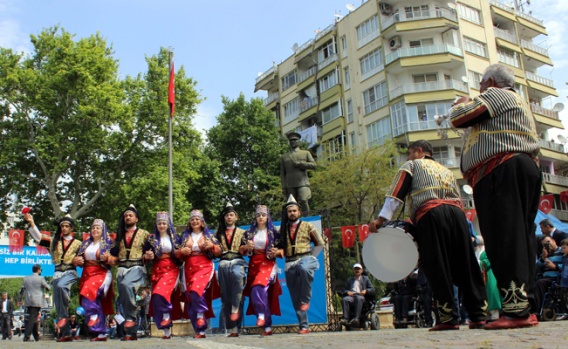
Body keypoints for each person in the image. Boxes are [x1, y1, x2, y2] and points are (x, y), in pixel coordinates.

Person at [450, 64, 541, 329]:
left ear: (489, 82)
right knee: (521, 237)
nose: (478, 91)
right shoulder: (514, 102)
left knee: (505, 236)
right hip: (516, 167)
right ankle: (526, 305)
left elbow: (459, 117)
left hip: (502, 169)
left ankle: (516, 311)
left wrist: (461, 102)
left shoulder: (499, 94)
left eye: (480, 86)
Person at [369, 140, 487, 331]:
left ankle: (448, 318)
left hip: (430, 214)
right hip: (457, 214)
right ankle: (478, 315)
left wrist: (381, 220)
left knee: (437, 264)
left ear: (419, 151)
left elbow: (396, 194)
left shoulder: (412, 165)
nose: (407, 157)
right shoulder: (446, 170)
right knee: (466, 264)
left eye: (409, 152)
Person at [24, 213, 82, 342]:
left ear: (71, 228)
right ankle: (66, 334)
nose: (64, 228)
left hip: (70, 272)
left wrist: (79, 260)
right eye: (62, 226)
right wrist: (32, 222)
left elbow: (84, 258)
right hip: (57, 273)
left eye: (67, 226)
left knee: (62, 287)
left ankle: (65, 301)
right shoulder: (54, 241)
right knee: (59, 304)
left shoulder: (78, 243)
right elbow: (38, 238)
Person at [102, 204, 152, 341]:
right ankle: (131, 333)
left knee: (126, 285)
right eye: (126, 216)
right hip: (122, 269)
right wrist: (107, 257)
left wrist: (149, 255)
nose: (128, 217)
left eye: (130, 215)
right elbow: (113, 255)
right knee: (124, 299)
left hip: (137, 268)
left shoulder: (145, 234)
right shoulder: (119, 236)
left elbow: (152, 250)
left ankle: (131, 319)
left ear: (136, 218)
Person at [281, 195, 325, 334]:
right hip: (289, 262)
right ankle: (304, 325)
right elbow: (277, 245)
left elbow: (320, 243)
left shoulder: (308, 226)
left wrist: (311, 256)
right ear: (287, 213)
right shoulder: (282, 229)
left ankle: (306, 298)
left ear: (299, 212)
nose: (292, 213)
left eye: (294, 211)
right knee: (295, 295)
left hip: (305, 257)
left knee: (304, 268)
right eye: (289, 211)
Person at [174, 210, 222, 339]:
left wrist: (212, 246)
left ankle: (201, 316)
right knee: (190, 298)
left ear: (202, 223)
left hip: (204, 266)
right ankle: (200, 331)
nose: (195, 221)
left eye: (197, 219)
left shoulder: (209, 236)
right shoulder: (184, 237)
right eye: (192, 219)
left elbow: (219, 251)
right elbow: (176, 254)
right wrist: (181, 251)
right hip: (189, 268)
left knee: (196, 290)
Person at [243, 205, 283, 337]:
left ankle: (261, 315)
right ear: (255, 217)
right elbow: (241, 250)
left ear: (267, 217)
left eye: (263, 215)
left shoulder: (274, 233)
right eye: (258, 215)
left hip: (268, 263)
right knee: (260, 294)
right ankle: (267, 327)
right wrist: (246, 247)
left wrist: (277, 251)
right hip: (254, 264)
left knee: (258, 288)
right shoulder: (248, 233)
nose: (261, 217)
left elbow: (283, 249)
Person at [73, 218, 114, 341]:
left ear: (103, 230)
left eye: (98, 228)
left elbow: (117, 259)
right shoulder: (85, 243)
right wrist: (77, 261)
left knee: (88, 291)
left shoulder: (109, 243)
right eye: (93, 228)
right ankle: (100, 333)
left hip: (102, 273)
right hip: (87, 274)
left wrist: (108, 258)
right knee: (95, 301)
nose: (95, 230)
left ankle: (94, 315)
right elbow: (78, 260)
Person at [145, 212, 182, 340]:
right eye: (159, 223)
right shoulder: (151, 240)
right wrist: (147, 256)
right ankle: (166, 332)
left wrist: (179, 253)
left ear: (168, 225)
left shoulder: (175, 238)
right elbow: (144, 255)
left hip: (171, 268)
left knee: (161, 293)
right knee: (155, 298)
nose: (161, 225)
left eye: (164, 223)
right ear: (156, 225)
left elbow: (180, 255)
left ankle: (166, 317)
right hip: (157, 269)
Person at [215, 203, 249, 337]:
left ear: (236, 217)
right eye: (226, 215)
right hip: (223, 263)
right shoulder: (219, 233)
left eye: (231, 215)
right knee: (226, 296)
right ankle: (231, 327)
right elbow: (214, 252)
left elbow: (247, 250)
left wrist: (247, 247)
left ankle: (237, 326)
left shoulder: (243, 233)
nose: (229, 217)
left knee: (238, 295)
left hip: (237, 262)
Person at [280, 132, 317, 212]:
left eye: (295, 140)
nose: (293, 142)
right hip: (290, 184)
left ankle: (307, 217)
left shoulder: (305, 153)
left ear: (298, 141)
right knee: (291, 204)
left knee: (304, 200)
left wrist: (301, 164)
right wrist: (283, 187)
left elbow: (314, 165)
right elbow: (282, 173)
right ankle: (294, 220)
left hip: (302, 182)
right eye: (291, 140)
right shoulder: (284, 157)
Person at [18, 264, 50, 342]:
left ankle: (36, 336)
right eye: (41, 270)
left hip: (28, 300)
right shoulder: (41, 278)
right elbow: (48, 287)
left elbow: (21, 290)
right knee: (32, 319)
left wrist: (19, 300)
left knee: (33, 318)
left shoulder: (26, 278)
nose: (41, 271)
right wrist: (47, 285)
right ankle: (27, 337)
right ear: (38, 270)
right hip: (37, 300)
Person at [534, 236, 563, 314]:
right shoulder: (544, 254)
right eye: (544, 245)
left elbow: (565, 265)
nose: (547, 245)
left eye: (548, 242)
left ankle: (537, 309)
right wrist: (542, 258)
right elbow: (538, 268)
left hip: (555, 278)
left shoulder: (562, 251)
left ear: (554, 241)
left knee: (540, 283)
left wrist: (555, 267)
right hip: (545, 277)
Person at [340, 263, 374, 328]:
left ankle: (356, 318)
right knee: (345, 299)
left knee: (358, 298)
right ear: (353, 271)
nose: (357, 270)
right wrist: (348, 292)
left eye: (358, 269)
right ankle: (345, 319)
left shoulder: (365, 279)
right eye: (355, 269)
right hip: (352, 296)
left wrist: (366, 290)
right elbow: (344, 289)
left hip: (361, 296)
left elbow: (372, 289)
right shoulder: (349, 280)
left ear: (361, 270)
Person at [476, 237, 501, 321]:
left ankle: (495, 315)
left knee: (492, 293)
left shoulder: (488, 250)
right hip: (484, 274)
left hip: (490, 273)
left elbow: (488, 261)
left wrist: (479, 263)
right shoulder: (482, 251)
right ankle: (489, 314)